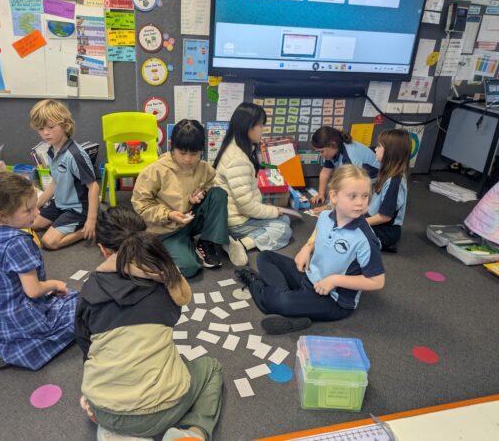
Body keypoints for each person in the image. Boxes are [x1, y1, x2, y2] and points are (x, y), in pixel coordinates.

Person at [76, 206, 223, 441]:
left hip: (104, 411)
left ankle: (117, 433)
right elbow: (170, 319)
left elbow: (86, 347)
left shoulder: (89, 289)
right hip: (162, 412)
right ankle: (194, 432)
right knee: (210, 367)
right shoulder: (166, 282)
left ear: (103, 249)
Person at [235, 165, 385, 334]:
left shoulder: (365, 239)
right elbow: (319, 232)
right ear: (334, 196)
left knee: (281, 302)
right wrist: (307, 248)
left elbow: (377, 281)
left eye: (365, 196)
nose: (360, 202)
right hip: (309, 277)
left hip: (333, 299)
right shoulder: (325, 216)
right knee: (265, 257)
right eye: (353, 196)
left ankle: (256, 284)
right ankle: (295, 306)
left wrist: (334, 280)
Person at [0, 172, 78, 370]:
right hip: (25, 317)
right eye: (28, 210)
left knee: (71, 301)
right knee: (82, 306)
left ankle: (12, 340)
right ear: (3, 216)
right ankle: (27, 345)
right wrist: (55, 284)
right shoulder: (17, 243)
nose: (37, 213)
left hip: (4, 317)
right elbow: (33, 291)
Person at [132, 119, 238, 278]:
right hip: (167, 229)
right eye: (182, 153)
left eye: (194, 153)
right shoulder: (155, 171)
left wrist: (201, 193)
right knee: (188, 268)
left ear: (201, 150)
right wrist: (168, 214)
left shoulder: (204, 167)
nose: (188, 159)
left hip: (190, 219)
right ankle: (174, 247)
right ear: (171, 146)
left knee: (218, 193)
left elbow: (209, 183)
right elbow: (141, 205)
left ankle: (205, 242)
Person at [214, 102, 292, 260]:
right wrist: (273, 211)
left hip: (236, 215)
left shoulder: (237, 146)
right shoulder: (238, 159)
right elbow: (246, 206)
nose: (263, 130)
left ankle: (237, 240)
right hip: (237, 221)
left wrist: (270, 210)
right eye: (261, 126)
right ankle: (241, 244)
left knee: (285, 218)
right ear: (248, 126)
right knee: (283, 230)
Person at [29, 99, 99, 250]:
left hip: (77, 208)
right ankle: (62, 223)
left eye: (51, 127)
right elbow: (55, 182)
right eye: (40, 129)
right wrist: (36, 206)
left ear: (65, 125)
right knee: (32, 223)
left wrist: (91, 220)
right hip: (60, 203)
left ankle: (87, 229)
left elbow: (93, 187)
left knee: (49, 242)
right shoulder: (51, 150)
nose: (45, 133)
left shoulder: (75, 155)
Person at [310, 126, 379, 210]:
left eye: (321, 151)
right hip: (359, 181)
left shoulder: (350, 156)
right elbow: (325, 173)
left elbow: (351, 187)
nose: (320, 155)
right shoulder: (334, 150)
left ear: (333, 145)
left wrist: (328, 207)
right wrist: (321, 194)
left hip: (374, 186)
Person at [366, 129, 411, 252]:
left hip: (385, 231)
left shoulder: (394, 182)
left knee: (346, 233)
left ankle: (381, 243)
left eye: (379, 146)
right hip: (377, 221)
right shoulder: (387, 173)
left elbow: (385, 217)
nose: (375, 149)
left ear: (390, 152)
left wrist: (361, 222)